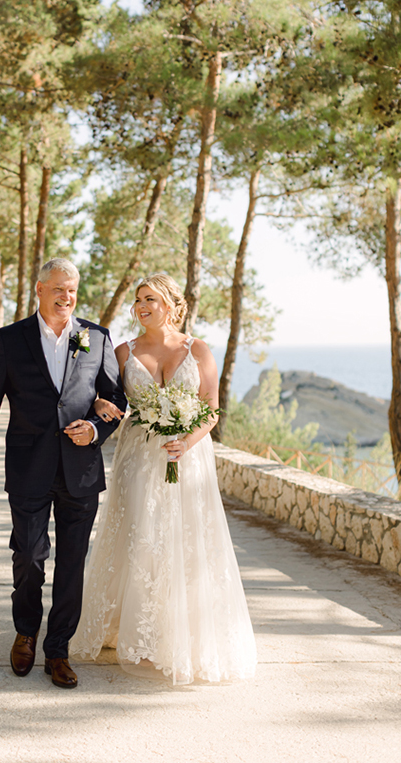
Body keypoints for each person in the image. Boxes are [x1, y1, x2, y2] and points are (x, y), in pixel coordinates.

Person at [72, 273, 257, 686]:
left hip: (187, 460)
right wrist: (102, 404)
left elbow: (211, 408)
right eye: (138, 299)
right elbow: (109, 399)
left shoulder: (198, 349)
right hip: (138, 458)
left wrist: (186, 442)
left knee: (185, 540)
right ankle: (139, 630)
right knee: (141, 536)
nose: (141, 306)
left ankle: (181, 635)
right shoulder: (122, 351)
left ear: (172, 304)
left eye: (150, 298)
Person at [0, 258, 127, 689]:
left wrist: (94, 428)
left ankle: (58, 650)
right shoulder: (9, 340)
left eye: (72, 289)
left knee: (72, 564)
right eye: (58, 288)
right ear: (39, 289)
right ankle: (25, 633)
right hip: (28, 467)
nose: (67, 297)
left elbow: (115, 402)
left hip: (81, 471)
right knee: (30, 558)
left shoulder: (96, 336)